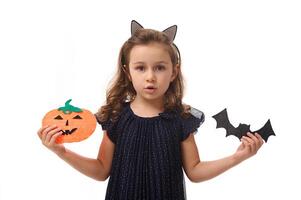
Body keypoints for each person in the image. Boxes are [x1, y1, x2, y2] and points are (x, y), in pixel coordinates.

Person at [37, 20, 264, 200]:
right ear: (128, 72)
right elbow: (101, 170)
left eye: (160, 68)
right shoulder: (116, 117)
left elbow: (194, 171)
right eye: (141, 68)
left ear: (173, 72)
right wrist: (62, 152)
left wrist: (237, 158)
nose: (150, 77)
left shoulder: (181, 119)